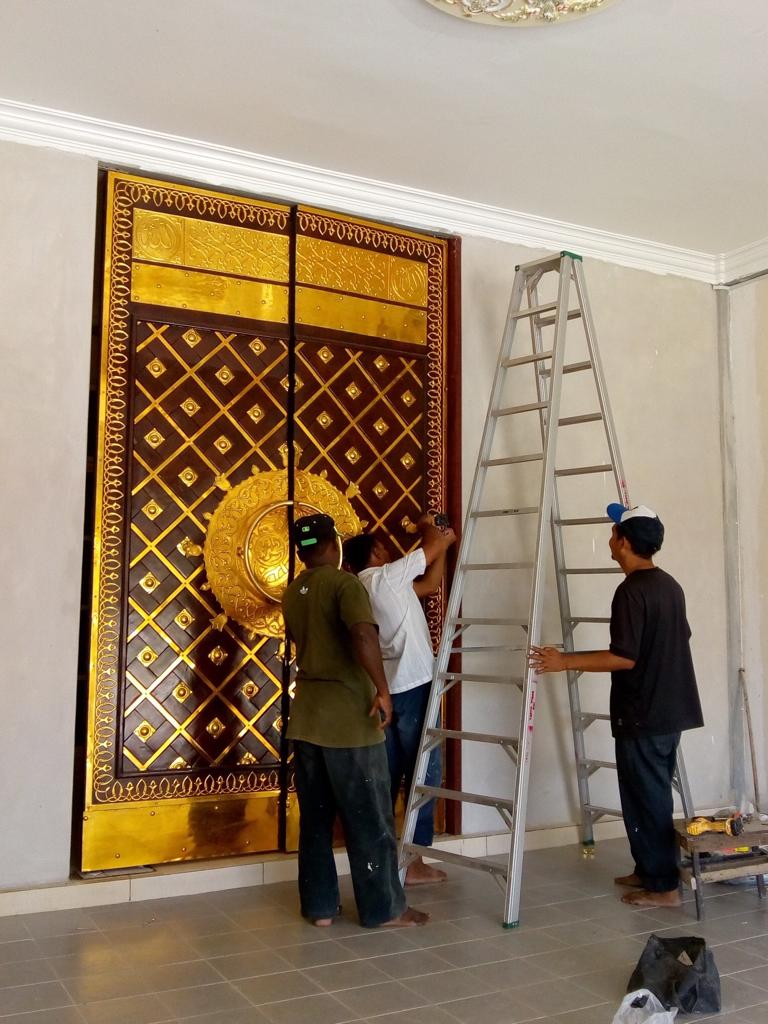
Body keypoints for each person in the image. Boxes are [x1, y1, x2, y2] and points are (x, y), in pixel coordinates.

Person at [529, 503, 703, 909]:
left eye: (613, 533)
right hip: (665, 710)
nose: (610, 540)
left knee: (648, 797)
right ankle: (649, 870)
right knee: (645, 793)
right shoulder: (668, 585)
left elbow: (624, 657)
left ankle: (664, 888)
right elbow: (676, 638)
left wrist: (563, 662)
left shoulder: (632, 591)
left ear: (623, 542)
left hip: (645, 711)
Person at [281, 512, 428, 928]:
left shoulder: (294, 591)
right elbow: (363, 636)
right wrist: (382, 690)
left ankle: (320, 908)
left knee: (315, 820)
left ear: (299, 552)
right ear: (334, 546)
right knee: (369, 816)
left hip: (307, 718)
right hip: (348, 719)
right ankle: (384, 909)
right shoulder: (346, 584)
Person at [343, 513, 456, 886]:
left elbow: (431, 583)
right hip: (415, 685)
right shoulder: (385, 577)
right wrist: (429, 527)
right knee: (424, 771)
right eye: (384, 548)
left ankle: (387, 856)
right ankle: (414, 859)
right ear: (376, 552)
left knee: (390, 774)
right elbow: (433, 546)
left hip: (388, 691)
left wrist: (443, 544)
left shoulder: (367, 586)